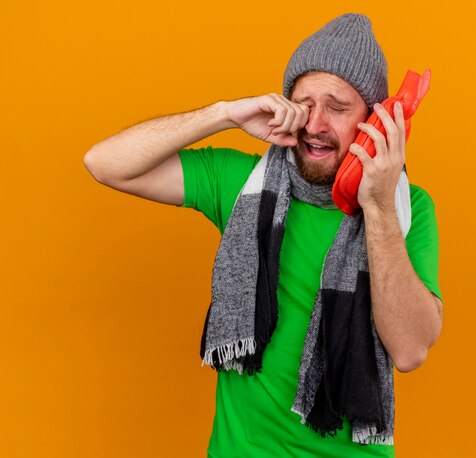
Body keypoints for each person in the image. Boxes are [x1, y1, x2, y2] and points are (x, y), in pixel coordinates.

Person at [84, 12, 443, 458]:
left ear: (374, 123)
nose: (315, 123)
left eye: (337, 107)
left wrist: (378, 206)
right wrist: (224, 114)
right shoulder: (244, 183)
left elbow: (410, 351)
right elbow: (104, 163)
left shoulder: (406, 208)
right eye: (304, 102)